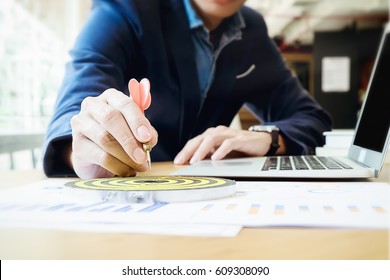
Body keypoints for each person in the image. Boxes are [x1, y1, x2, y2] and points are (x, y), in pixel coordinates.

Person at [43, 0, 332, 179]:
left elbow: (309, 116)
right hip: (133, 189)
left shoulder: (251, 29)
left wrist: (269, 138)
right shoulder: (126, 6)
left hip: (209, 196)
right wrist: (80, 151)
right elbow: (78, 103)